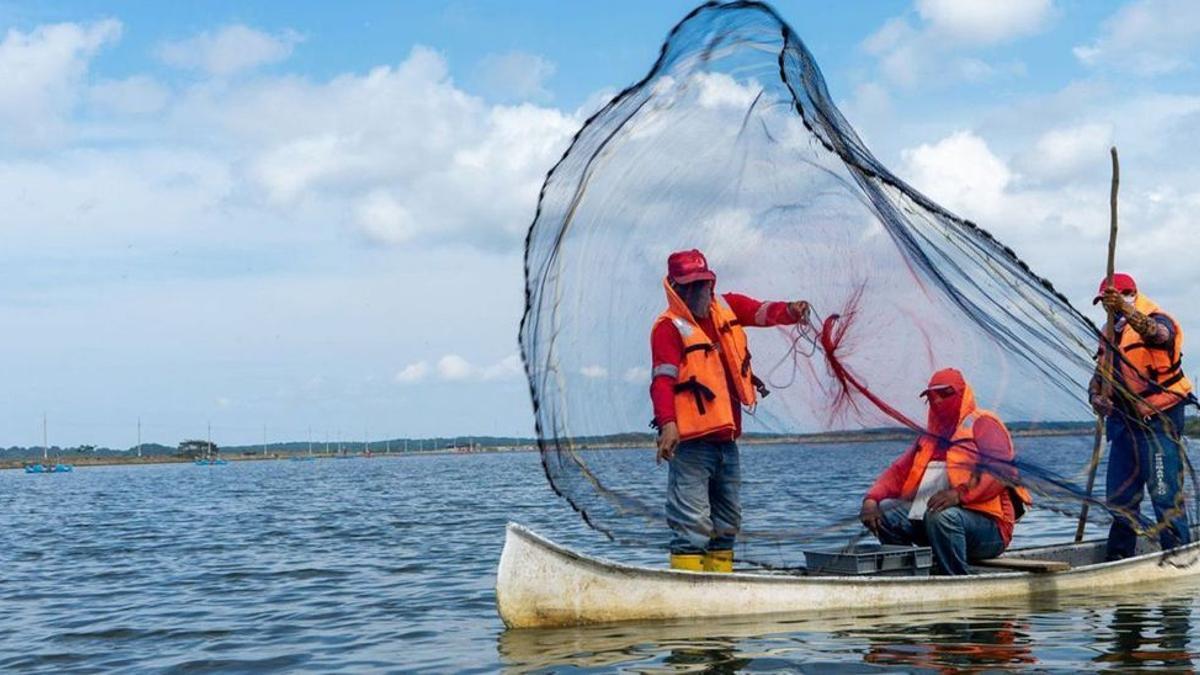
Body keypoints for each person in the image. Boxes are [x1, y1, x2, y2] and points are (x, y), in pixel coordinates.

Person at [650, 249, 810, 572]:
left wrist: (791, 311)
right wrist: (667, 424)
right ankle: (688, 592)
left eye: (703, 283)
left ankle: (718, 588)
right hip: (691, 445)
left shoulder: (727, 306)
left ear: (711, 281)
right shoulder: (668, 328)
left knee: (727, 523)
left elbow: (762, 312)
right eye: (690, 286)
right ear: (675, 288)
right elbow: (661, 382)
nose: (698, 291)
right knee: (691, 526)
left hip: (726, 442)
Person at [859, 368, 1031, 575]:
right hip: (938, 523)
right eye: (931, 396)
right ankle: (907, 577)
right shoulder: (930, 437)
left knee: (942, 516)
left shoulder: (983, 423)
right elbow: (897, 472)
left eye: (945, 394)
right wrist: (871, 500)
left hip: (991, 528)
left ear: (961, 394)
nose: (938, 401)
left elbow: (1000, 471)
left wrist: (959, 494)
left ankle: (956, 580)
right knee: (887, 510)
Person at [1088, 273, 1193, 560]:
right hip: (1122, 425)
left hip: (1159, 421)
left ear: (1129, 294)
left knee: (1163, 494)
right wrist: (1097, 399)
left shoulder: (1159, 319)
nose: (1106, 308)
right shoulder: (1108, 334)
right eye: (1103, 303)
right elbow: (1096, 381)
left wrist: (1124, 308)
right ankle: (1119, 559)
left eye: (1110, 301)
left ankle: (1178, 557)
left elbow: (1156, 335)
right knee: (1120, 500)